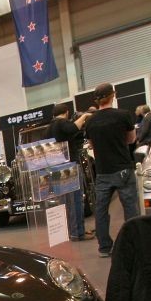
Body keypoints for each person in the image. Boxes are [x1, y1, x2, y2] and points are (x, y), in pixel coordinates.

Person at [84, 82, 140, 258]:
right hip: (123, 168)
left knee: (101, 211)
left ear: (96, 100)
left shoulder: (90, 121)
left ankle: (104, 247)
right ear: (113, 95)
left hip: (103, 172)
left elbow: (91, 145)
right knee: (130, 208)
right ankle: (134, 245)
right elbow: (131, 140)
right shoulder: (123, 115)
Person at [49, 103, 94, 242]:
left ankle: (72, 231)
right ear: (66, 112)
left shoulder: (50, 127)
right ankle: (77, 233)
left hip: (57, 167)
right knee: (75, 200)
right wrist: (85, 116)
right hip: (69, 167)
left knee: (66, 203)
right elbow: (73, 128)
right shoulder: (61, 123)